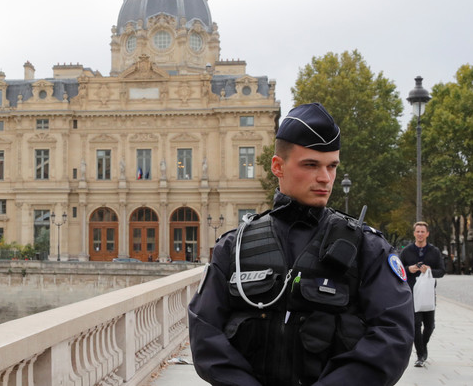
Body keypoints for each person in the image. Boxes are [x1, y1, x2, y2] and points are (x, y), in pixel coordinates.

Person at [188, 102, 414, 386]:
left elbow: (393, 335)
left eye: (332, 166)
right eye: (311, 165)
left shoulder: (368, 248)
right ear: (277, 166)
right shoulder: (234, 248)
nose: (325, 178)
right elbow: (204, 331)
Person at [400, 221, 445, 367]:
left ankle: (422, 346)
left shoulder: (434, 251)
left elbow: (442, 271)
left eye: (422, 232)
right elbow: (397, 270)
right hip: (412, 293)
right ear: (414, 233)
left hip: (428, 292)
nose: (420, 234)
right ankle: (420, 355)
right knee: (416, 324)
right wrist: (409, 269)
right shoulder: (406, 251)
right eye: (417, 231)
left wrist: (429, 270)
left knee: (430, 325)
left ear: (427, 234)